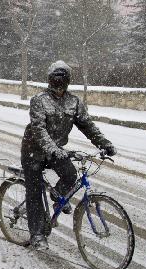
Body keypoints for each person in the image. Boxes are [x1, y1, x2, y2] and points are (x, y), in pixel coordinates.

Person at [21, 60, 117, 250]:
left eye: (62, 79)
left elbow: (87, 126)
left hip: (56, 150)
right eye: (55, 79)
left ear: (67, 81)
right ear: (49, 80)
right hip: (33, 151)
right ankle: (37, 234)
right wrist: (53, 149)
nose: (59, 84)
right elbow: (39, 130)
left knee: (71, 175)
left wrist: (104, 143)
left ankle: (57, 198)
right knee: (34, 192)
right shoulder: (39, 100)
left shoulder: (74, 102)